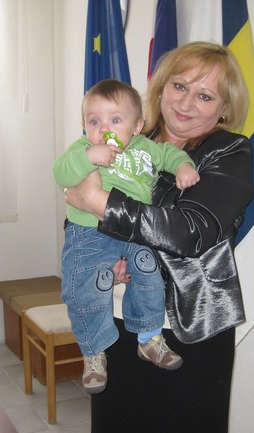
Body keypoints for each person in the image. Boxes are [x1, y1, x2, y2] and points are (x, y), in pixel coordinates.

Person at [65, 42, 254, 433]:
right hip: (119, 321)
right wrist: (99, 256)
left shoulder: (228, 152)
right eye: (180, 86)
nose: (186, 103)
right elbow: (77, 205)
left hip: (190, 328)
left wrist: (101, 203)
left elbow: (189, 231)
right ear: (161, 87)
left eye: (205, 95)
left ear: (224, 108)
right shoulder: (130, 138)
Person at [54, 79, 200, 394]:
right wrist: (88, 157)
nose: (103, 128)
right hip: (90, 232)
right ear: (85, 126)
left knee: (149, 273)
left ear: (137, 126)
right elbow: (60, 173)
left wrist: (183, 167)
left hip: (133, 232)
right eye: (94, 121)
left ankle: (149, 338)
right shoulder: (82, 148)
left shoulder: (145, 148)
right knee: (85, 288)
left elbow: (170, 155)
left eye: (115, 120)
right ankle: (93, 352)